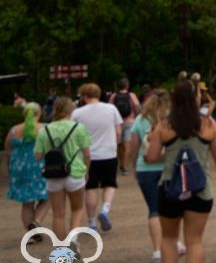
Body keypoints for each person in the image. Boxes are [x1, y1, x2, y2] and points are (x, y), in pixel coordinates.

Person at [147, 81, 216, 263]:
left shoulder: (163, 126)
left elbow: (151, 157)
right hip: (200, 189)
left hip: (170, 189)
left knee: (169, 238)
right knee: (195, 241)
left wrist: (171, 156)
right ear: (195, 100)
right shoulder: (208, 124)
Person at [128, 89, 186, 263]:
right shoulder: (172, 119)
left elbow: (134, 148)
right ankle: (174, 241)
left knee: (154, 209)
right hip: (168, 168)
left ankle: (157, 251)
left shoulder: (139, 120)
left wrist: (134, 168)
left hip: (145, 168)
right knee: (172, 208)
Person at [34, 97, 92, 241]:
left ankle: (63, 252)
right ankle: (73, 239)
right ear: (71, 110)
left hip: (53, 175)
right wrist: (87, 171)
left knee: (58, 215)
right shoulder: (78, 127)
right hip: (75, 173)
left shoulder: (44, 130)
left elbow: (37, 157)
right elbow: (87, 154)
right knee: (77, 209)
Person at [72, 82, 122, 232]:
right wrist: (115, 144)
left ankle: (92, 222)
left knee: (91, 188)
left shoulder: (78, 113)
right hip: (109, 153)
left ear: (85, 96)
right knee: (110, 184)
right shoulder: (111, 109)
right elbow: (118, 131)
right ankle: (105, 209)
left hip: (88, 156)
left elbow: (74, 135)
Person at [6, 103, 50, 240]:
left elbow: (8, 149)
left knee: (27, 202)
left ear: (24, 114)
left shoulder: (14, 130)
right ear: (39, 113)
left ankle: (31, 235)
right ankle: (36, 222)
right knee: (47, 196)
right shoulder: (44, 128)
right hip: (40, 166)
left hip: (19, 169)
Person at [109, 78, 142, 176]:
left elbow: (110, 108)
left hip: (117, 123)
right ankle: (125, 166)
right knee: (128, 146)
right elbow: (137, 107)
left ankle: (121, 163)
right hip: (129, 122)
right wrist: (136, 116)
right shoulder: (131, 95)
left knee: (119, 145)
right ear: (127, 86)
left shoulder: (114, 96)